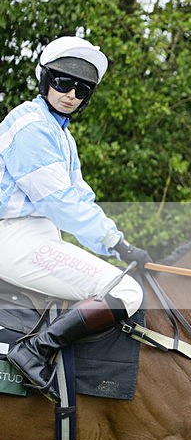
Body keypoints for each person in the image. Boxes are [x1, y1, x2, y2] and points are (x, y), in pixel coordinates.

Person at [0, 36, 151, 402]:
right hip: (15, 237)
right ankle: (33, 351)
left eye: (81, 89)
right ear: (44, 79)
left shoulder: (61, 134)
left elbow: (82, 197)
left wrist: (119, 245)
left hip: (40, 236)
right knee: (125, 292)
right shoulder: (31, 127)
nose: (70, 94)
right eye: (62, 82)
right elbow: (62, 203)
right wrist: (116, 243)